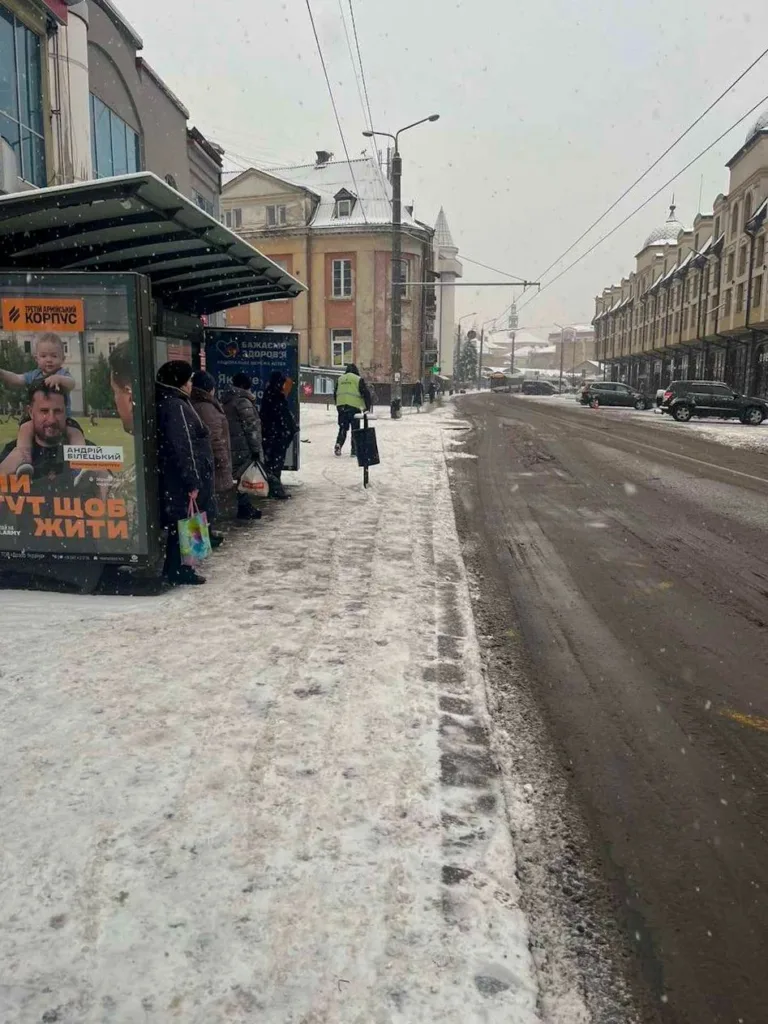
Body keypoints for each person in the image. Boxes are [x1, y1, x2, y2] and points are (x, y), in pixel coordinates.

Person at [156, 360, 214, 586]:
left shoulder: (173, 402)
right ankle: (180, 568)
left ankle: (178, 567)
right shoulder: (177, 406)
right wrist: (192, 479)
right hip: (178, 478)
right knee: (183, 521)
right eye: (189, 380)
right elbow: (184, 445)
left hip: (173, 475)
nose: (191, 384)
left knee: (180, 522)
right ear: (179, 382)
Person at [0, 332, 85, 474]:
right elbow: (17, 379)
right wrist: (2, 373)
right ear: (37, 358)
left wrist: (59, 379)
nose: (49, 360)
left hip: (65, 420)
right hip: (37, 421)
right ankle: (24, 461)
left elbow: (71, 384)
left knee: (75, 433)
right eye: (44, 356)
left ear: (63, 359)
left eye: (54, 356)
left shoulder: (63, 374)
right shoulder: (34, 375)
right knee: (25, 429)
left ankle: (82, 466)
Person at [190, 371, 236, 520]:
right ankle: (204, 534)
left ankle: (205, 531)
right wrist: (224, 463)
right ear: (210, 389)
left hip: (203, 462)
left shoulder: (194, 404)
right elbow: (215, 440)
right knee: (206, 501)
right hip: (211, 464)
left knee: (203, 500)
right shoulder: (207, 408)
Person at [220, 372, 265, 521]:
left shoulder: (227, 400)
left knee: (240, 476)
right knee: (244, 476)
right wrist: (256, 449)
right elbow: (251, 427)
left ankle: (244, 506)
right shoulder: (242, 401)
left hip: (232, 444)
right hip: (243, 445)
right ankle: (244, 507)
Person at [260, 370, 298, 498]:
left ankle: (274, 488)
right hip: (275, 435)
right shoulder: (274, 396)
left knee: (274, 463)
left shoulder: (271, 395)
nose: (283, 385)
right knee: (274, 464)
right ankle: (275, 490)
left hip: (275, 435)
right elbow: (278, 415)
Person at [334, 363, 371, 457]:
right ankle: (354, 450)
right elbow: (365, 393)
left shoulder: (340, 379)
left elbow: (335, 393)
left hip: (341, 406)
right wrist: (367, 408)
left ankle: (339, 444)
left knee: (343, 427)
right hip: (354, 407)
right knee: (355, 429)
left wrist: (338, 405)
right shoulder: (357, 379)